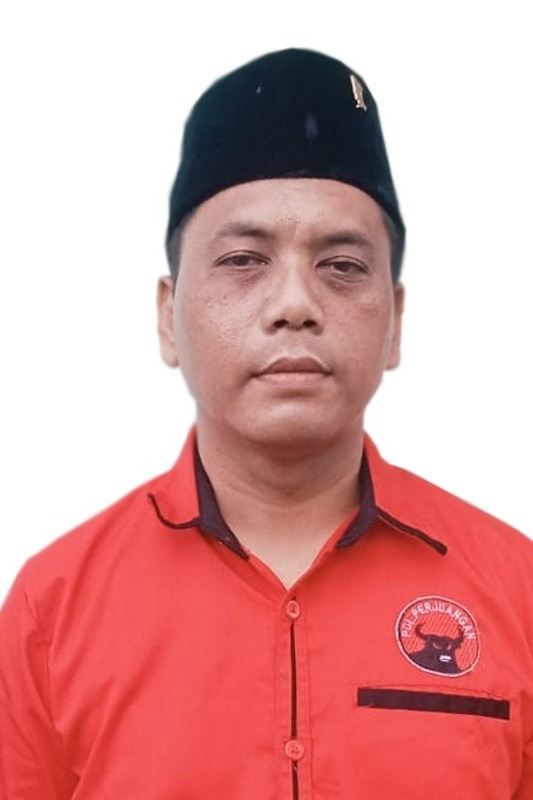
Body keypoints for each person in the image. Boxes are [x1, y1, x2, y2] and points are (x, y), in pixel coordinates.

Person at [0, 48, 532, 800]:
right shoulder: (51, 610)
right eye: (244, 260)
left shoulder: (517, 593)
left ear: (395, 322)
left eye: (341, 266)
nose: (294, 304)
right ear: (168, 317)